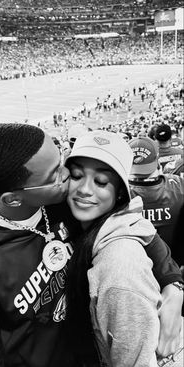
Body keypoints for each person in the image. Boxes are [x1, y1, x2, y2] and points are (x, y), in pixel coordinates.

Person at [0, 124, 183, 367]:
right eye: (54, 175)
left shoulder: (62, 202)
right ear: (13, 198)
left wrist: (173, 285)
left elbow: (130, 225)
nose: (67, 175)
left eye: (62, 162)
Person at [65, 131, 183, 367]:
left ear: (120, 192)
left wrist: (175, 286)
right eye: (76, 175)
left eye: (101, 181)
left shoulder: (120, 267)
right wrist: (175, 284)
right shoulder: (69, 219)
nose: (85, 189)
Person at [128, 136, 184, 266]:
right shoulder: (179, 186)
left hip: (136, 271)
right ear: (158, 163)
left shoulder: (118, 195)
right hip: (175, 268)